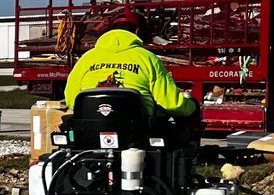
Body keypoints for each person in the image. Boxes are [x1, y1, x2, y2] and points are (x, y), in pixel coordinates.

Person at [64, 12, 199, 123]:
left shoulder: (87, 58)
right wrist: (192, 107)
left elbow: (71, 99)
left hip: (90, 131)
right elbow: (170, 103)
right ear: (138, 31)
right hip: (138, 132)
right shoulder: (148, 58)